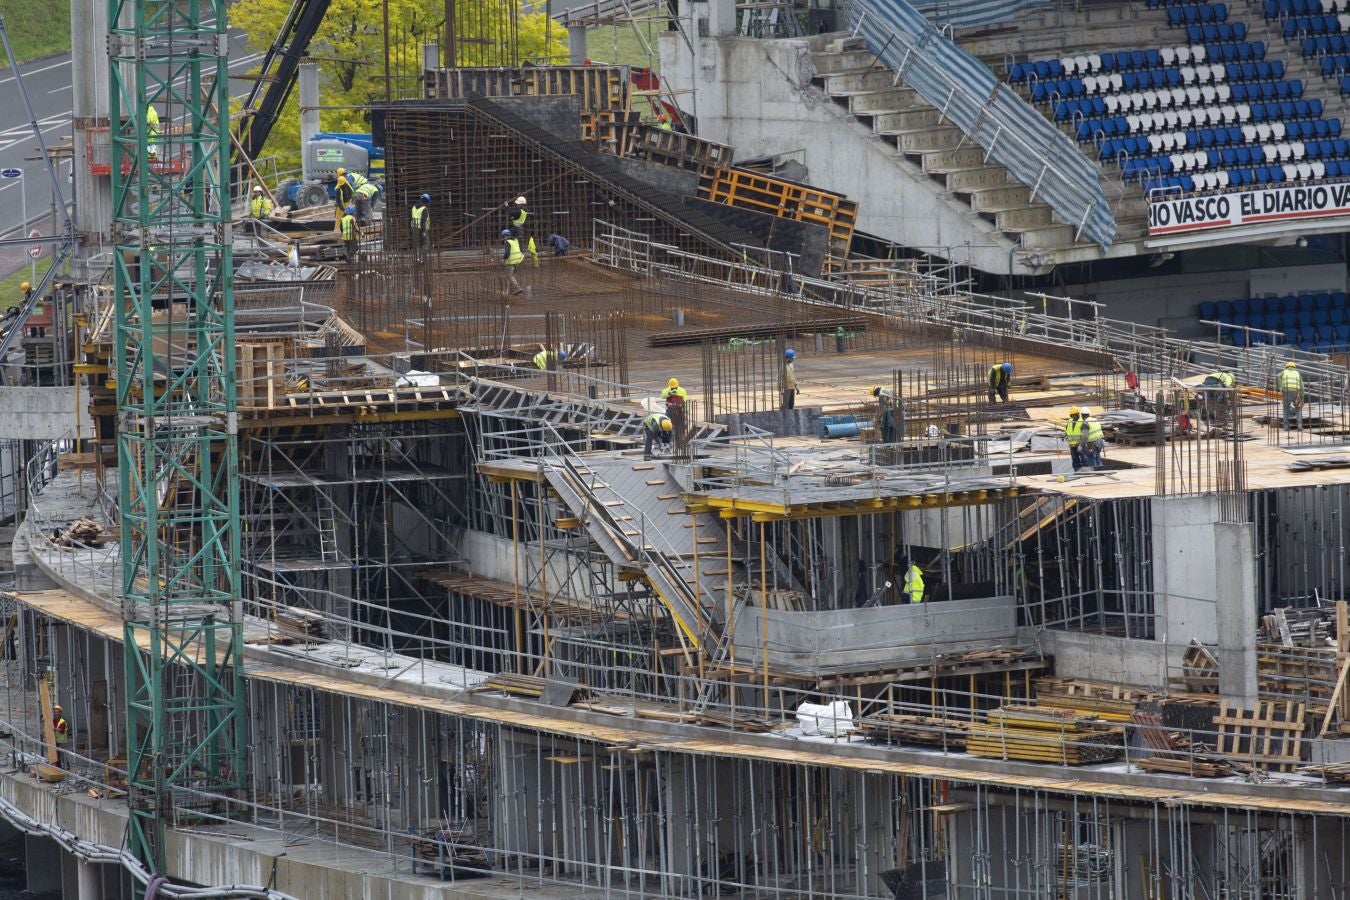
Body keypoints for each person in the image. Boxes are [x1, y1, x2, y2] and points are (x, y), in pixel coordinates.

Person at [662, 377, 689, 447]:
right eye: (672, 388)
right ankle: (668, 442)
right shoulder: (667, 390)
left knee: (679, 428)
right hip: (670, 411)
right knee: (667, 426)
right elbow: (662, 395)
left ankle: (679, 443)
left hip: (679, 411)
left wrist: (686, 412)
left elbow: (685, 402)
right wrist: (669, 393)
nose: (673, 389)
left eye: (675, 387)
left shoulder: (682, 391)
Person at [1278, 361, 1304, 430]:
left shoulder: (1284, 372)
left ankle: (1286, 426)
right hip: (1296, 391)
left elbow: (1277, 376)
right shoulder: (1297, 373)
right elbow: (1302, 387)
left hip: (1286, 391)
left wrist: (1281, 387)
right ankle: (1299, 425)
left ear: (1286, 367)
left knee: (1286, 408)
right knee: (1298, 408)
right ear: (1294, 367)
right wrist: (1302, 396)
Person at [502, 229, 524, 296]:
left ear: (505, 236)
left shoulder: (508, 242)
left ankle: (517, 288)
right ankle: (512, 291)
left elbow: (507, 253)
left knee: (509, 276)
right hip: (518, 261)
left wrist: (503, 259)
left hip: (511, 262)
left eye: (503, 237)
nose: (503, 238)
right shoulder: (515, 240)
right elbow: (520, 249)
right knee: (511, 276)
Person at [1064, 406, 1084, 472]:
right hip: (1072, 445)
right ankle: (1077, 470)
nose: (1073, 417)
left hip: (1079, 444)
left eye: (1074, 415)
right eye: (1072, 415)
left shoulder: (1082, 421)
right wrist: (1066, 436)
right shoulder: (1069, 421)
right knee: (1075, 459)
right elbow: (1067, 430)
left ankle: (1085, 471)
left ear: (1078, 414)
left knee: (1083, 458)